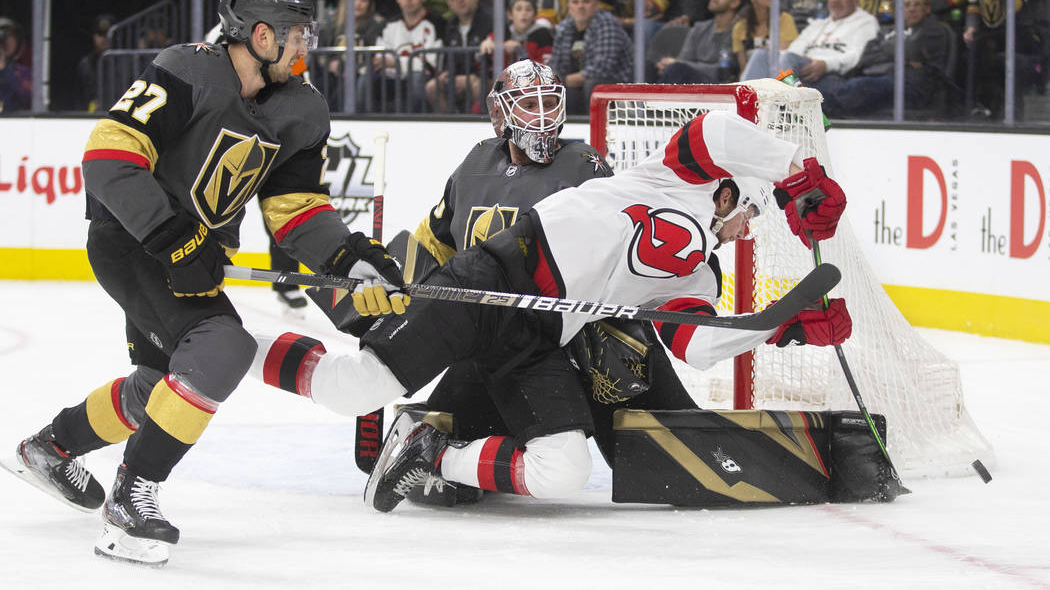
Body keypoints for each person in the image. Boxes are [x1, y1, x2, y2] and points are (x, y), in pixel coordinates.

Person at [244, 75, 852, 514]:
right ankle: (224, 344)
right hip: (485, 286)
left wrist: (786, 326)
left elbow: (695, 345)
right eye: (751, 209)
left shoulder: (696, 275)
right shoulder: (672, 175)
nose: (749, 227)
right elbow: (716, 129)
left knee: (563, 470)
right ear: (731, 189)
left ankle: (428, 451)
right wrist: (799, 173)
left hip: (536, 334)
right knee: (353, 387)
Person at [2, 0, 407, 566]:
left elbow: (295, 210)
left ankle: (50, 447)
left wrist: (349, 256)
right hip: (132, 241)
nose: (306, 46)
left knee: (159, 384)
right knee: (222, 346)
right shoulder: (189, 69)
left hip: (191, 257)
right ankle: (129, 501)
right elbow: (108, 159)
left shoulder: (304, 109)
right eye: (297, 34)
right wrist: (174, 240)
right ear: (261, 36)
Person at [819, 0, 952, 117]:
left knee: (859, 86)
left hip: (914, 88)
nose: (912, 9)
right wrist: (899, 56)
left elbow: (911, 48)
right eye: (907, 5)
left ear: (927, 8)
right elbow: (867, 55)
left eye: (917, 4)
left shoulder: (934, 30)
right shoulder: (888, 30)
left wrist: (886, 50)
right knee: (839, 86)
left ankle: (820, 114)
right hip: (883, 82)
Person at [741, 0, 879, 95]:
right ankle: (739, 109)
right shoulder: (818, 24)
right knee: (762, 55)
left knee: (789, 59)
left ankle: (787, 110)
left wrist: (826, 64)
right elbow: (794, 50)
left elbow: (857, 56)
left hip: (831, 76)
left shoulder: (865, 22)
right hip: (801, 74)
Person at [361, 0, 445, 113]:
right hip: (391, 78)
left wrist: (396, 63)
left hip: (421, 78)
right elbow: (380, 58)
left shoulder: (437, 24)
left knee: (417, 78)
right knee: (365, 79)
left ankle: (418, 121)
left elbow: (431, 64)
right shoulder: (387, 25)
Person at [549, 0, 633, 114]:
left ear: (596, 4)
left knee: (593, 85)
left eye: (585, 1)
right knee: (554, 90)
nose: (580, 6)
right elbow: (555, 64)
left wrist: (569, 79)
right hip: (575, 84)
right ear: (569, 6)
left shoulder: (607, 24)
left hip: (614, 83)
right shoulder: (564, 28)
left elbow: (604, 66)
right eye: (575, 2)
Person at [425, 0, 493, 113]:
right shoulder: (450, 25)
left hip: (487, 79)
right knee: (432, 86)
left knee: (477, 85)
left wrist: (473, 76)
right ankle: (448, 125)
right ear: (448, 2)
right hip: (458, 78)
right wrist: (446, 73)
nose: (460, 0)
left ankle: (476, 124)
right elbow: (448, 57)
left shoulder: (490, 20)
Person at [656, 0, 742, 84]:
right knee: (649, 67)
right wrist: (670, 65)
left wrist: (678, 64)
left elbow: (724, 70)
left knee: (676, 69)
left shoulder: (739, 29)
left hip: (720, 85)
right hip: (691, 81)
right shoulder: (699, 28)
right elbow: (684, 59)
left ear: (735, 2)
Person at [731, 0, 799, 74]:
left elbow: (785, 52)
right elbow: (744, 68)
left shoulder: (784, 19)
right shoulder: (740, 28)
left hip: (779, 76)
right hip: (754, 79)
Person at [480, 0, 555, 67]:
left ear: (535, 15)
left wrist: (520, 50)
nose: (524, 13)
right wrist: (487, 44)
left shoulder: (543, 35)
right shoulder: (503, 33)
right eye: (519, 9)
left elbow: (546, 69)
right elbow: (481, 61)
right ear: (510, 14)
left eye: (528, 9)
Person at [75, 13, 115, 112]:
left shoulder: (126, 63)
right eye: (100, 34)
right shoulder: (86, 64)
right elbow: (79, 98)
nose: (104, 39)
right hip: (91, 118)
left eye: (107, 34)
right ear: (93, 36)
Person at [0, 17, 31, 114]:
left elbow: (31, 97)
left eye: (8, 36)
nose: (3, 42)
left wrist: (5, 70)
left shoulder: (23, 73)